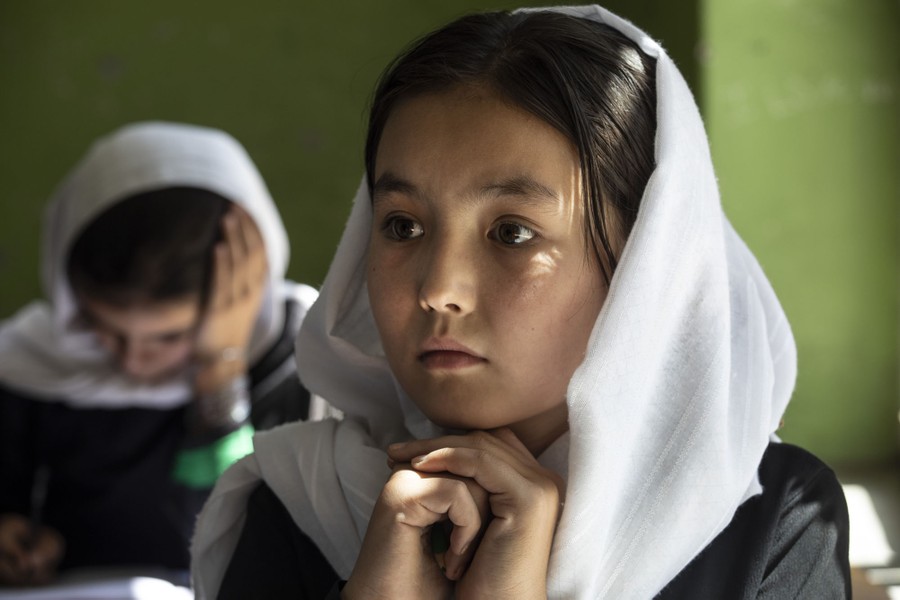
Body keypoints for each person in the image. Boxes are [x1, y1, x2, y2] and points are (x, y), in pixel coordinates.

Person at [190, 5, 851, 599]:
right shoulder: (302, 502)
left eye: (512, 232)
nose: (437, 289)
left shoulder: (769, 518)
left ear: (647, 263)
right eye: (402, 226)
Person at [0, 122, 328, 586]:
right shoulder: (30, 361)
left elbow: (239, 538)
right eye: (102, 328)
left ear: (244, 294)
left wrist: (221, 371)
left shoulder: (300, 361)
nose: (133, 363)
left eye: (170, 337)